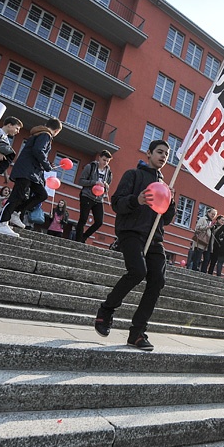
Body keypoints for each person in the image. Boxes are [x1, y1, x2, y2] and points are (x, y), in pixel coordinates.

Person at [93, 140, 176, 351]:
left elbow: (165, 219)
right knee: (138, 271)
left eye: (167, 154)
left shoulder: (165, 185)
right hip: (131, 232)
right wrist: (136, 200)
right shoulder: (133, 175)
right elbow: (117, 203)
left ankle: (137, 332)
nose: (163, 156)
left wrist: (171, 202)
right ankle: (106, 310)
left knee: (157, 280)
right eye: (159, 152)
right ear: (148, 153)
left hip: (155, 237)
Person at [0, 117, 60, 236]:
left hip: (32, 172)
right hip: (27, 171)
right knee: (16, 196)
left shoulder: (39, 134)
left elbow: (37, 153)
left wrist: (46, 164)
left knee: (42, 194)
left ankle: (16, 212)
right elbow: (38, 150)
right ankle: (1, 222)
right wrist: (46, 165)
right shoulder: (46, 135)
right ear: (57, 131)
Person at [74, 150, 113, 243]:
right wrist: (95, 182)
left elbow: (107, 186)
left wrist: (106, 187)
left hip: (99, 199)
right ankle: (78, 240)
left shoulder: (109, 173)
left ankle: (84, 236)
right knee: (83, 218)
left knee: (99, 221)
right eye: (104, 160)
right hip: (87, 195)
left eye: (107, 161)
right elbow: (81, 181)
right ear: (99, 158)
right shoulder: (90, 167)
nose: (105, 163)